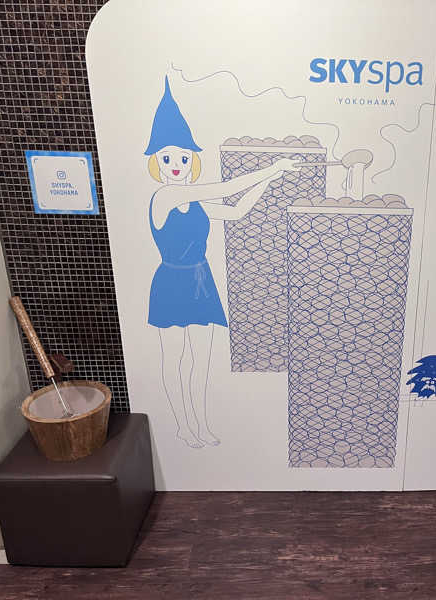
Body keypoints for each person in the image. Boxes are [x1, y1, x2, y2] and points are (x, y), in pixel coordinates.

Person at [145, 76, 299, 448]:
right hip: (171, 282)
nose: (176, 165)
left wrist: (271, 179)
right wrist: (271, 168)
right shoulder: (163, 197)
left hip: (200, 282)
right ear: (156, 162)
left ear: (192, 160)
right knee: (174, 359)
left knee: (200, 362)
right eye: (167, 158)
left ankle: (199, 423)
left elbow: (236, 210)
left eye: (184, 157)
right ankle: (183, 425)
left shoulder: (196, 202)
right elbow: (227, 189)